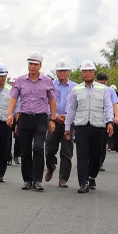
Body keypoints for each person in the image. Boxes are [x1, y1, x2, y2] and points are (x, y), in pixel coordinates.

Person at [7, 52, 57, 192]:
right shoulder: (21, 80)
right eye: (30, 64)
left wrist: (52, 119)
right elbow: (13, 98)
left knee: (39, 148)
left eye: (35, 64)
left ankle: (38, 180)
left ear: (40, 65)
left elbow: (52, 101)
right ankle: (27, 180)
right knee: (26, 150)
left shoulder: (47, 81)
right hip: (24, 118)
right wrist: (10, 114)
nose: (32, 67)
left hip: (41, 118)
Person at [65, 60, 114, 193]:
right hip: (81, 126)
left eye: (90, 71)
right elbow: (71, 109)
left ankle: (92, 175)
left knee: (96, 155)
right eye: (84, 71)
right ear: (81, 74)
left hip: (97, 125)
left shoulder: (103, 89)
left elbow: (109, 106)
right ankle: (83, 182)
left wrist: (110, 122)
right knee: (81, 155)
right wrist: (67, 127)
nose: (87, 74)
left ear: (94, 73)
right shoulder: (76, 90)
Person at [45, 59, 76, 187]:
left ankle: (63, 178)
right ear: (56, 72)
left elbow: (77, 105)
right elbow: (45, 103)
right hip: (54, 121)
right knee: (50, 149)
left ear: (68, 72)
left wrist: (68, 117)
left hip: (69, 122)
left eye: (64, 71)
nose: (62, 73)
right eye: (59, 71)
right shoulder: (50, 85)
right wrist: (55, 116)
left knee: (66, 151)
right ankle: (51, 166)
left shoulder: (75, 87)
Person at [96, 72, 118, 172]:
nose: (102, 85)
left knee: (103, 143)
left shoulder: (110, 91)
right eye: (100, 83)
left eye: (104, 83)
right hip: (94, 119)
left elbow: (115, 104)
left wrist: (116, 117)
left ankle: (100, 162)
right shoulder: (93, 89)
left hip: (105, 120)